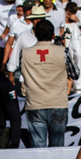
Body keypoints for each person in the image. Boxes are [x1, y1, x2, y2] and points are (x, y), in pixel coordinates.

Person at [19, 19, 71, 148]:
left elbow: (22, 71)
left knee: (37, 148)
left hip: (35, 103)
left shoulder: (24, 53)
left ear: (35, 34)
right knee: (57, 148)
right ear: (53, 35)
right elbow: (75, 74)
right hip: (57, 103)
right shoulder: (63, 52)